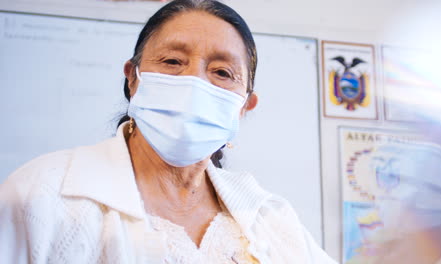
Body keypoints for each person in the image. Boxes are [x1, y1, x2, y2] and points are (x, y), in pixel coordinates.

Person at [0, 0, 336, 263]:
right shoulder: (39, 195)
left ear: (245, 106)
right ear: (133, 79)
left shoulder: (270, 218)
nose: (194, 83)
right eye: (173, 62)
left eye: (221, 71)